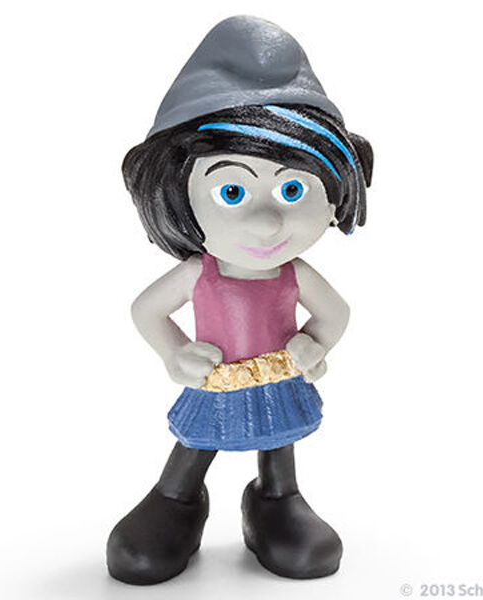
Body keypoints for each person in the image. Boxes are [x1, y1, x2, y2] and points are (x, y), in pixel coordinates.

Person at [107, 15, 373, 584]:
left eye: (293, 188)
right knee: (197, 442)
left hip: (277, 376)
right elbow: (147, 310)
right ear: (177, 194)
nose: (267, 221)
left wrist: (315, 344)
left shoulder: (294, 273)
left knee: (279, 440)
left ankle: (277, 499)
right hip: (216, 380)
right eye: (231, 190)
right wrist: (175, 353)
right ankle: (176, 498)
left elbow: (336, 313)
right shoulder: (198, 272)